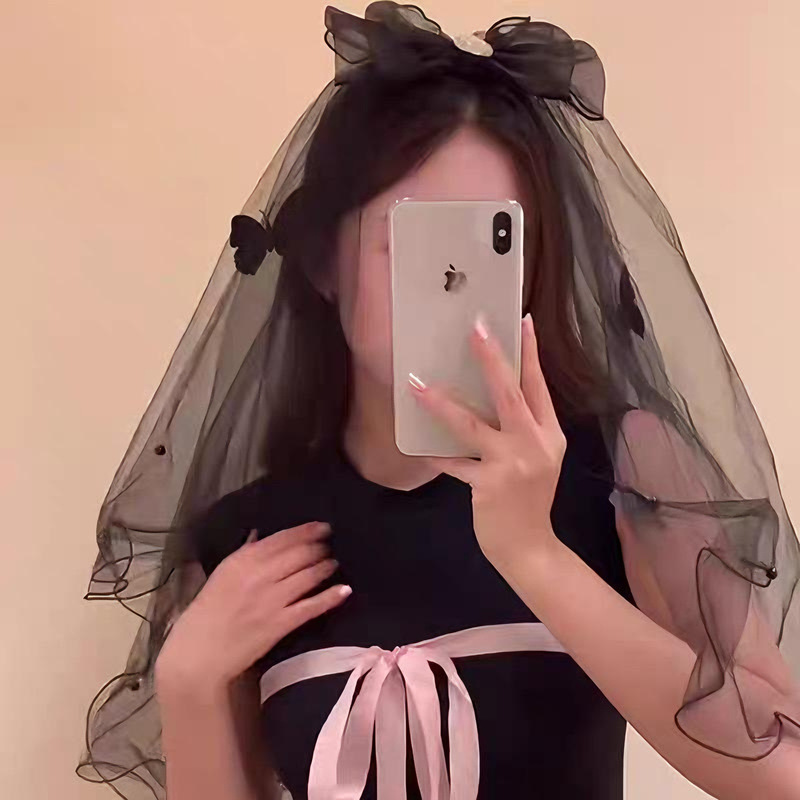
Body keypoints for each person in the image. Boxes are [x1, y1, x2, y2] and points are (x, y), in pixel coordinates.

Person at [76, 4, 800, 800]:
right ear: (323, 261)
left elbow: (784, 772)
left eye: (488, 243)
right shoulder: (249, 540)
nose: (453, 284)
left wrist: (536, 557)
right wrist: (188, 683)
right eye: (417, 245)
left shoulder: (624, 467)